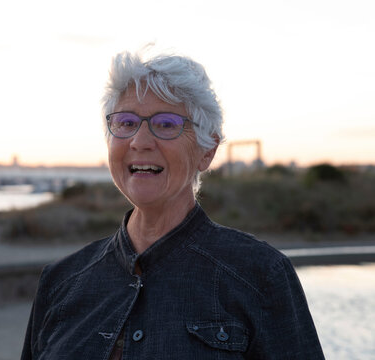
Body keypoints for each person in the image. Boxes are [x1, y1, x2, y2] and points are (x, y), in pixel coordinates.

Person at [21, 50, 325, 359]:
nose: (140, 141)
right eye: (126, 122)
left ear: (207, 151)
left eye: (166, 124)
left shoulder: (261, 275)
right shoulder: (60, 283)